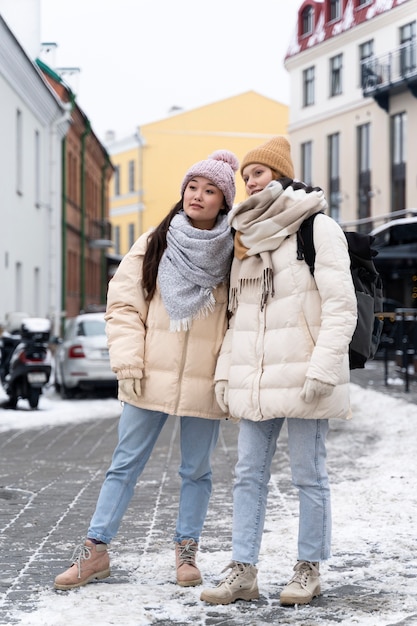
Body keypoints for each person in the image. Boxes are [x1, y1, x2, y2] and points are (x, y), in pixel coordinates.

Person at [54, 149, 239, 591]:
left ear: (223, 202)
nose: (197, 195)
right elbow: (122, 304)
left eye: (210, 190)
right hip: (148, 372)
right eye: (192, 187)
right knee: (124, 464)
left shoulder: (234, 252)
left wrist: (227, 371)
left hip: (204, 380)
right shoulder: (155, 241)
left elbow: (238, 317)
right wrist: (128, 358)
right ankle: (95, 550)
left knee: (197, 471)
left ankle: (186, 552)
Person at [200, 137, 357, 607]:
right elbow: (237, 317)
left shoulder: (317, 227)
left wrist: (325, 366)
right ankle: (243, 570)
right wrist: (226, 373)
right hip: (257, 378)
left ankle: (308, 568)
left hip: (307, 374)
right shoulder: (244, 238)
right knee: (248, 474)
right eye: (246, 175)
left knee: (309, 475)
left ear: (282, 175)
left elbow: (340, 304)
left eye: (259, 173)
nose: (250, 180)